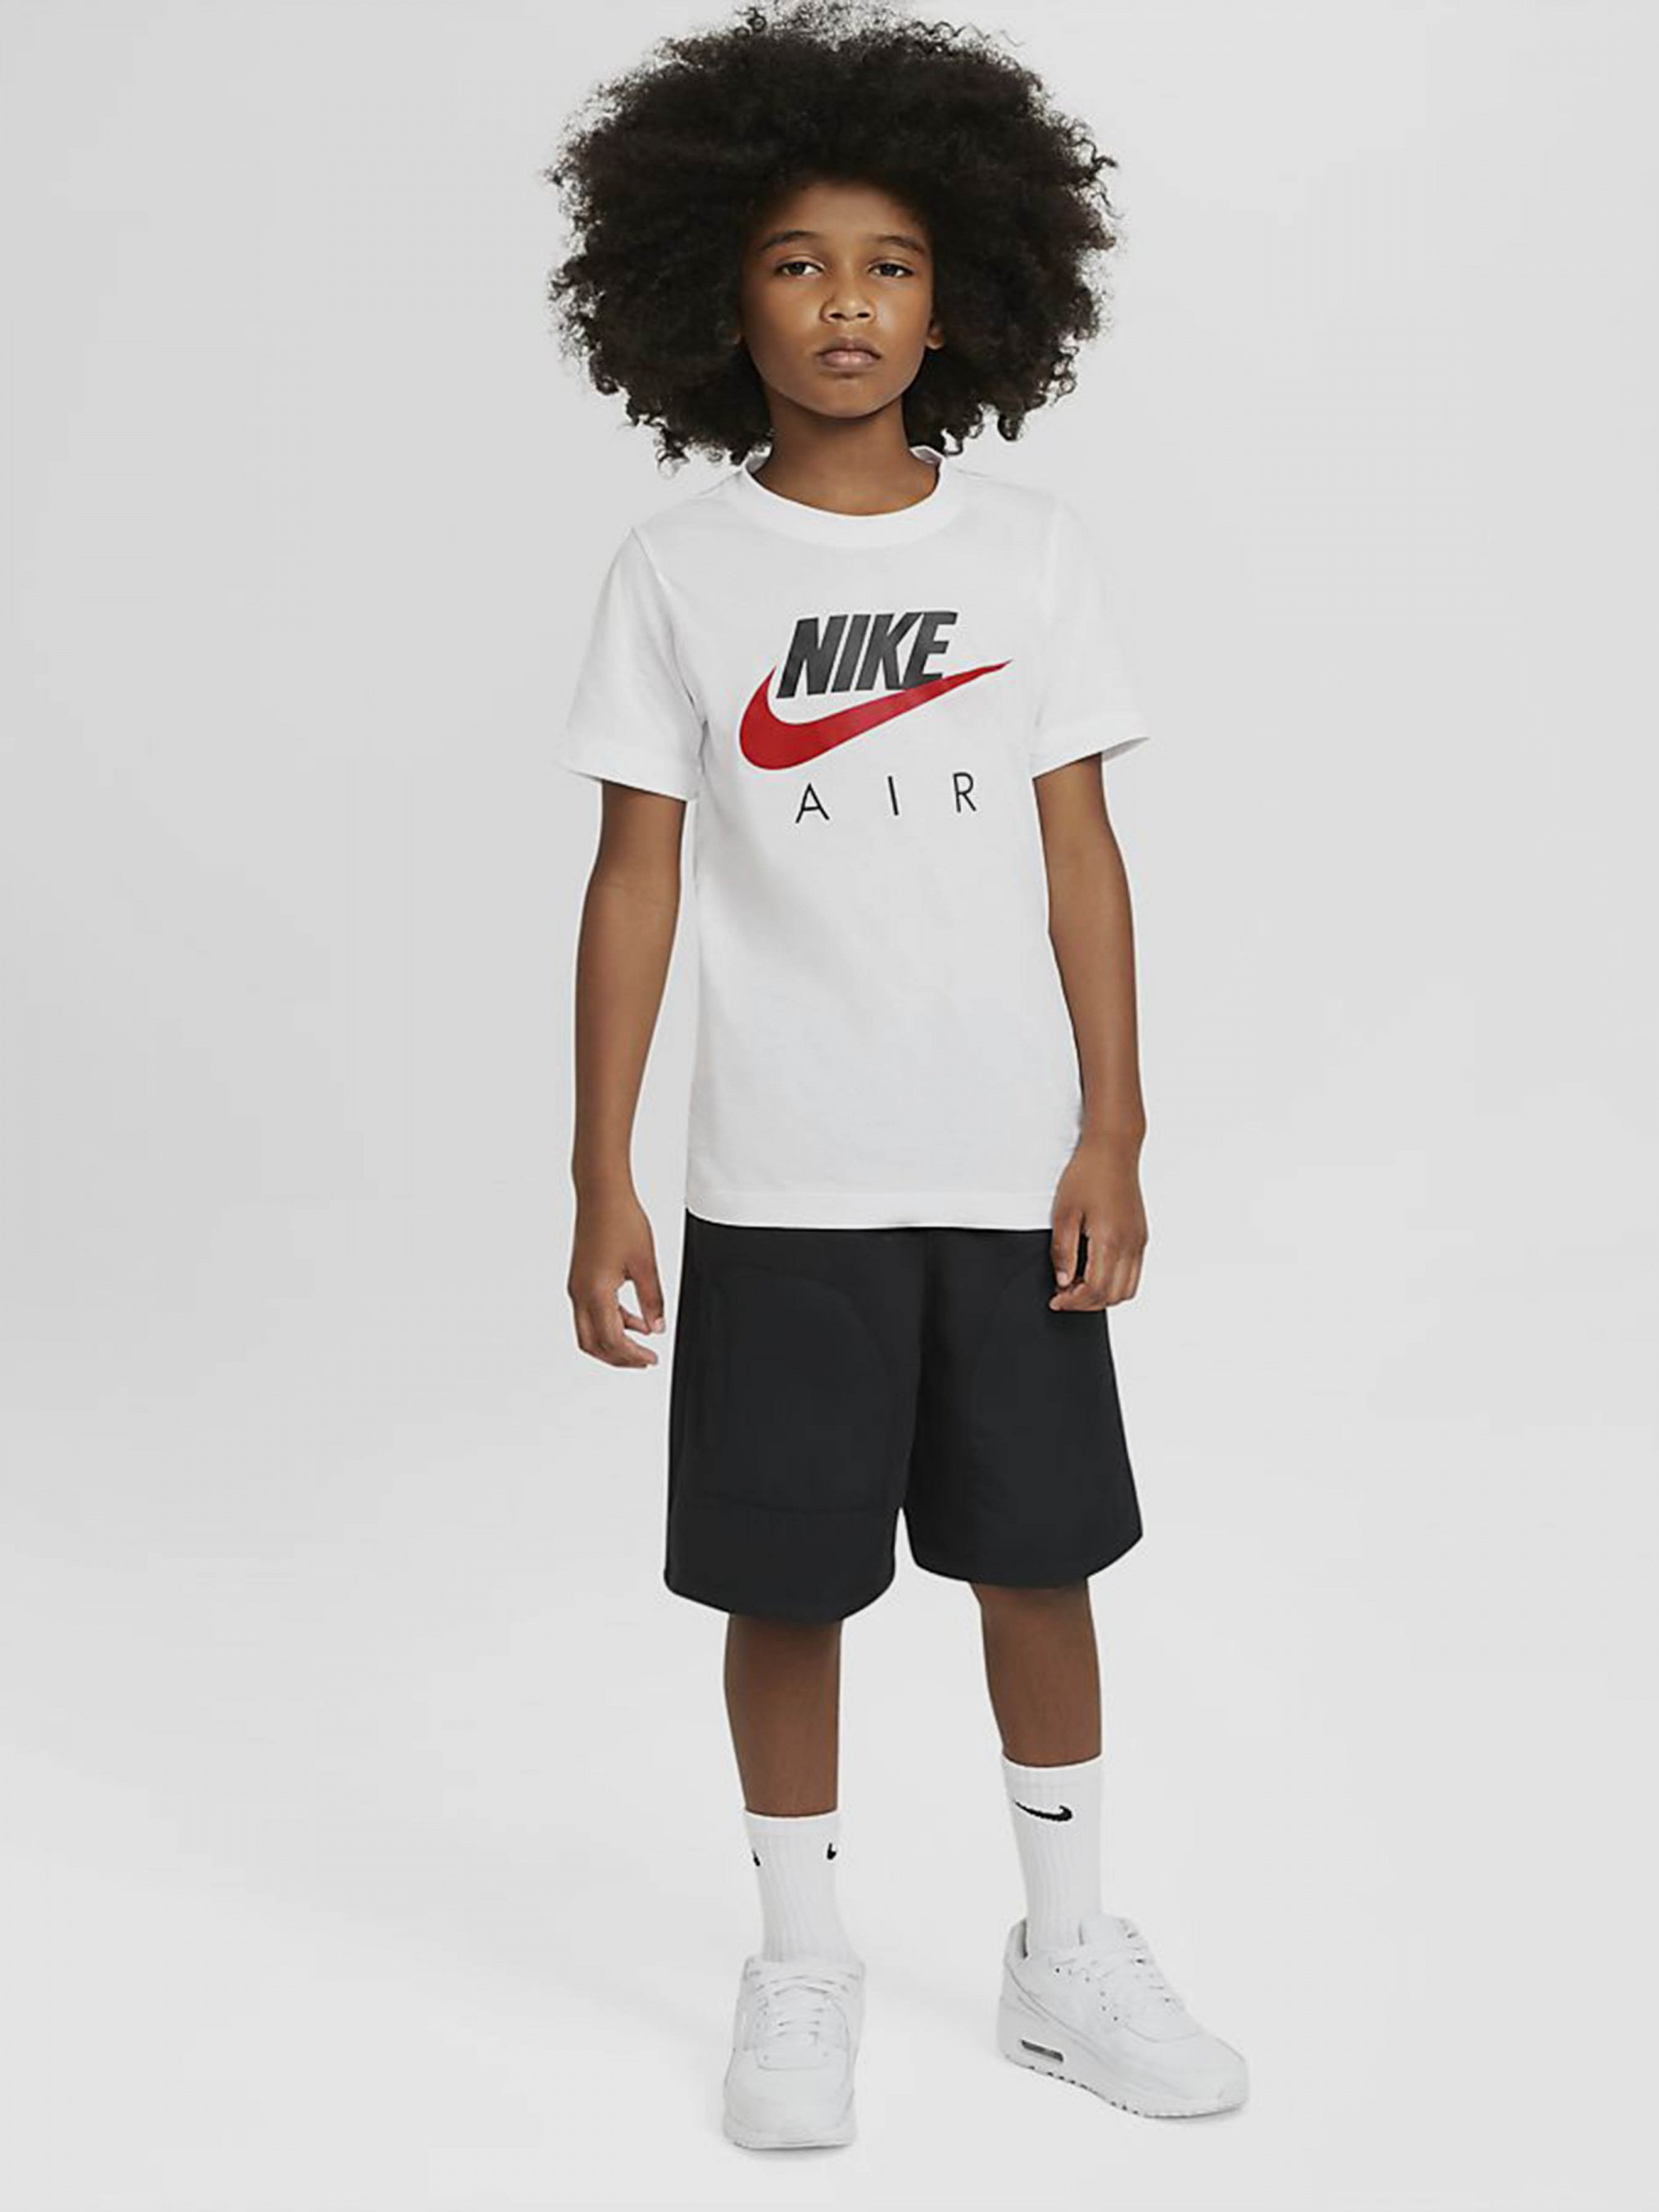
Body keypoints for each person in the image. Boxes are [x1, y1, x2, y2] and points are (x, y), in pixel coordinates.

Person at [544, 0, 1247, 2151]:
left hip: (1000, 1174)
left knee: (1042, 1560)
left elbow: (1081, 854)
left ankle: (1066, 1953)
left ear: (961, 297)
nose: (845, 302)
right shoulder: (677, 571)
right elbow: (635, 881)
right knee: (787, 1584)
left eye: (889, 264)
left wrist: (1114, 1125)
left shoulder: (1027, 555)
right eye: (796, 260)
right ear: (715, 295)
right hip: (780, 1185)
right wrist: (599, 1172)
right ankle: (802, 1963)